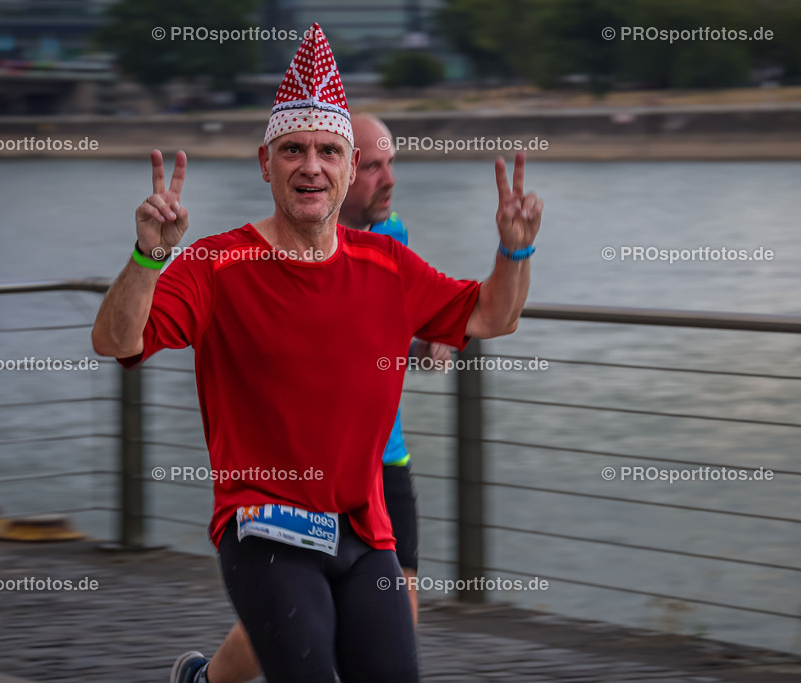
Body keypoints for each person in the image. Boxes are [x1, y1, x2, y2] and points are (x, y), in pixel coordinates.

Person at [91, 22, 542, 683]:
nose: (311, 166)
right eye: (294, 149)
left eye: (329, 151)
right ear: (265, 162)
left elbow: (492, 316)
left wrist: (515, 249)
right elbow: (115, 339)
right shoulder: (217, 263)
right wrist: (149, 255)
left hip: (365, 534)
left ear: (349, 167)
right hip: (264, 527)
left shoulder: (389, 263)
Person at [168, 112, 439, 683]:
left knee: (390, 613)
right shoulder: (248, 258)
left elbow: (377, 321)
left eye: (391, 163)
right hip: (285, 485)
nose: (387, 179)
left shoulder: (394, 240)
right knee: (294, 618)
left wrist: (422, 339)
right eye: (376, 166)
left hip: (380, 465)